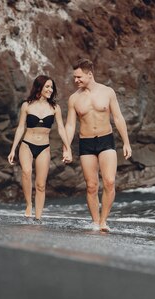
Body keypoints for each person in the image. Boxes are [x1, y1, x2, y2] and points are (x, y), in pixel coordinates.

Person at [65, 59, 132, 232]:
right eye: (75, 77)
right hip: (86, 142)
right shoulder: (74, 98)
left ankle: (103, 221)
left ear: (89, 74)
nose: (76, 80)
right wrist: (66, 147)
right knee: (91, 185)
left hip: (106, 139)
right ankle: (95, 222)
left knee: (109, 182)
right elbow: (71, 125)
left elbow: (118, 117)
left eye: (79, 77)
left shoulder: (107, 92)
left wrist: (126, 142)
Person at [8, 75, 71, 221]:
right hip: (27, 144)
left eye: (51, 87)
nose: (50, 89)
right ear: (39, 87)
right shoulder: (27, 105)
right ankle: (29, 204)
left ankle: (38, 218)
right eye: (47, 87)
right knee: (26, 171)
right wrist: (13, 149)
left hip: (44, 147)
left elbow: (61, 128)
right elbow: (21, 127)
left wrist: (68, 148)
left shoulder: (55, 108)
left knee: (41, 185)